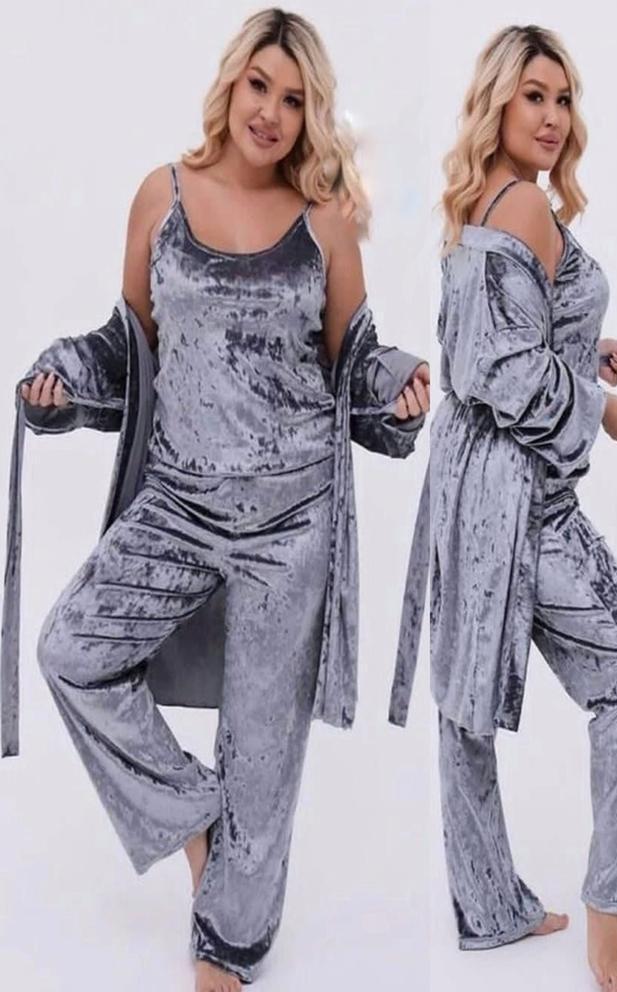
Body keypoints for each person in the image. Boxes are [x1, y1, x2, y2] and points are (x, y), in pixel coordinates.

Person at [5, 8, 429, 990]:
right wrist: (66, 375)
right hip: (178, 502)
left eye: (294, 99)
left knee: (263, 756)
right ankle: (200, 825)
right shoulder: (160, 195)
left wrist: (398, 382)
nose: (271, 112)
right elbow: (127, 342)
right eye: (259, 86)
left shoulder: (326, 218)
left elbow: (355, 358)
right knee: (72, 648)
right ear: (231, 83)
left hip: (292, 520)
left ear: (311, 113)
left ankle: (228, 947)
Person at [390, 24, 617, 992]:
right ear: (499, 102)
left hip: (470, 481)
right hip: (515, 493)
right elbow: (500, 373)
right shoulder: (519, 206)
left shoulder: (486, 198)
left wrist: (586, 350)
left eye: (562, 99)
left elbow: (500, 341)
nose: (552, 117)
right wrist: (601, 406)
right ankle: (608, 924)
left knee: (463, 704)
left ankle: (488, 907)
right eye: (533, 97)